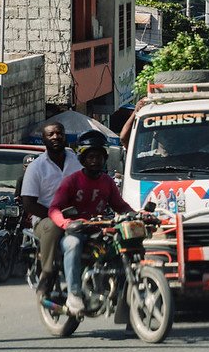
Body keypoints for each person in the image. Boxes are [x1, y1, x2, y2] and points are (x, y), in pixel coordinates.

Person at [48, 130, 134, 315]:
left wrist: (135, 215)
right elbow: (53, 209)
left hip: (99, 232)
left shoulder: (108, 182)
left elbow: (120, 205)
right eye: (91, 157)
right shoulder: (71, 181)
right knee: (73, 244)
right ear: (83, 159)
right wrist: (66, 224)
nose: (95, 161)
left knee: (120, 245)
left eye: (99, 157)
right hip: (75, 232)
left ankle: (117, 291)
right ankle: (74, 295)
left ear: (105, 159)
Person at [20, 123, 83, 300]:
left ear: (65, 136)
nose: (56, 137)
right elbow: (29, 204)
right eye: (51, 134)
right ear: (44, 140)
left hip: (76, 218)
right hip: (45, 220)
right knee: (54, 226)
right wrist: (56, 215)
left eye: (59, 133)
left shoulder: (77, 161)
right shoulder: (36, 167)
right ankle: (46, 273)